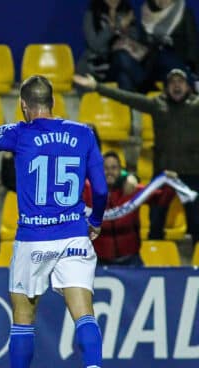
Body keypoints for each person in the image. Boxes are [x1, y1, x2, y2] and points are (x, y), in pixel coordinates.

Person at [0, 75, 108, 368]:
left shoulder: (21, 133)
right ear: (53, 102)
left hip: (33, 239)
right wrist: (96, 220)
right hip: (74, 236)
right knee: (84, 313)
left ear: (23, 106)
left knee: (23, 319)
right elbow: (101, 190)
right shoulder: (84, 133)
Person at [74, 69, 199, 244]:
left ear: (188, 86)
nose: (176, 86)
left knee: (197, 224)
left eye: (181, 82)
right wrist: (98, 87)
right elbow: (128, 98)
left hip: (193, 174)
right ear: (166, 87)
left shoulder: (196, 106)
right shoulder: (158, 105)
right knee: (155, 223)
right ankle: (155, 263)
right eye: (172, 82)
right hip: (164, 175)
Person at [84, 152, 176, 266]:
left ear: (121, 171)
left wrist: (169, 182)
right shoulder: (88, 192)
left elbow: (161, 199)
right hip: (99, 262)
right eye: (105, 168)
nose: (109, 172)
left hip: (131, 260)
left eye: (114, 168)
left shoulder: (132, 190)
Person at [77, 0, 148, 91]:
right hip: (98, 66)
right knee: (121, 57)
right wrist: (113, 28)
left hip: (120, 65)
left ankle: (134, 102)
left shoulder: (126, 13)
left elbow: (136, 40)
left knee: (124, 76)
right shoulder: (92, 15)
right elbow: (95, 45)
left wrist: (126, 29)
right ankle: (146, 86)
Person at [140, 0, 199, 87]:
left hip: (181, 59)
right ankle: (192, 86)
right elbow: (143, 43)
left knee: (168, 59)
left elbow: (192, 42)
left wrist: (190, 65)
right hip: (154, 61)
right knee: (162, 54)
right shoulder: (146, 13)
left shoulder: (183, 11)